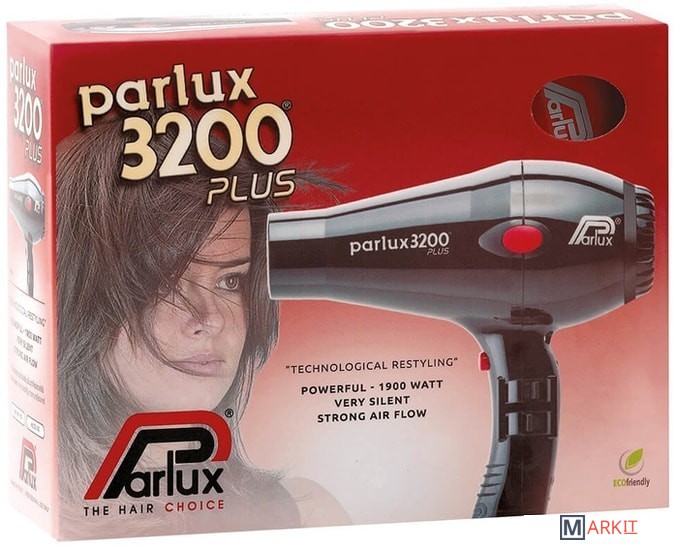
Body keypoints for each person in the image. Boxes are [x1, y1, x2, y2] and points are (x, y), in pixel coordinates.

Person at [55, 110, 348, 538]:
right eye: (163, 282)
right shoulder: (42, 519)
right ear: (81, 294)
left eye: (230, 281)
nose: (210, 320)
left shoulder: (303, 515)